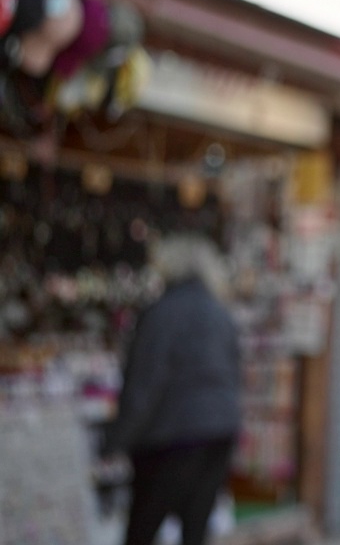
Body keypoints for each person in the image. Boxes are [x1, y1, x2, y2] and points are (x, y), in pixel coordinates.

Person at [104, 233, 241, 545]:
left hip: (173, 440)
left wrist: (116, 441)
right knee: (195, 530)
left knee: (142, 530)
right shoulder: (220, 313)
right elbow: (233, 375)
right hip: (219, 433)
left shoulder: (162, 313)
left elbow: (143, 385)